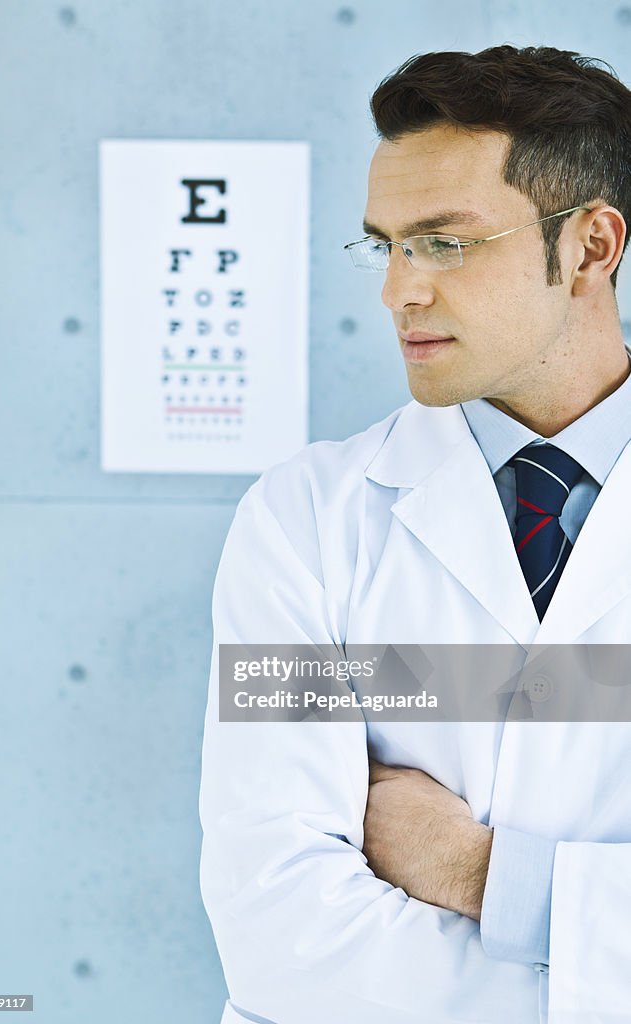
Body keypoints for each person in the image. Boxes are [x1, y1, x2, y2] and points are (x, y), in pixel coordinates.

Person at [199, 44, 631, 1024]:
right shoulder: (303, 520)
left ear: (590, 246)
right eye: (384, 244)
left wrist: (481, 875)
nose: (397, 290)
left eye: (443, 242)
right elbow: (284, 940)